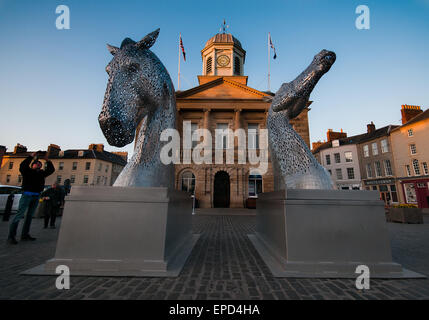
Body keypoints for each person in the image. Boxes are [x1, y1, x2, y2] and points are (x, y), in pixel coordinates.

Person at [7, 152, 55, 244]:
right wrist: (31, 156)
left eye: (40, 164)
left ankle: (25, 234)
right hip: (27, 195)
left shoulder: (41, 173)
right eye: (36, 163)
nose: (38, 165)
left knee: (29, 216)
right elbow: (23, 165)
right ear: (32, 165)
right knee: (19, 215)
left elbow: (51, 170)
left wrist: (47, 160)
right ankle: (11, 236)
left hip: (36, 196)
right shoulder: (27, 171)